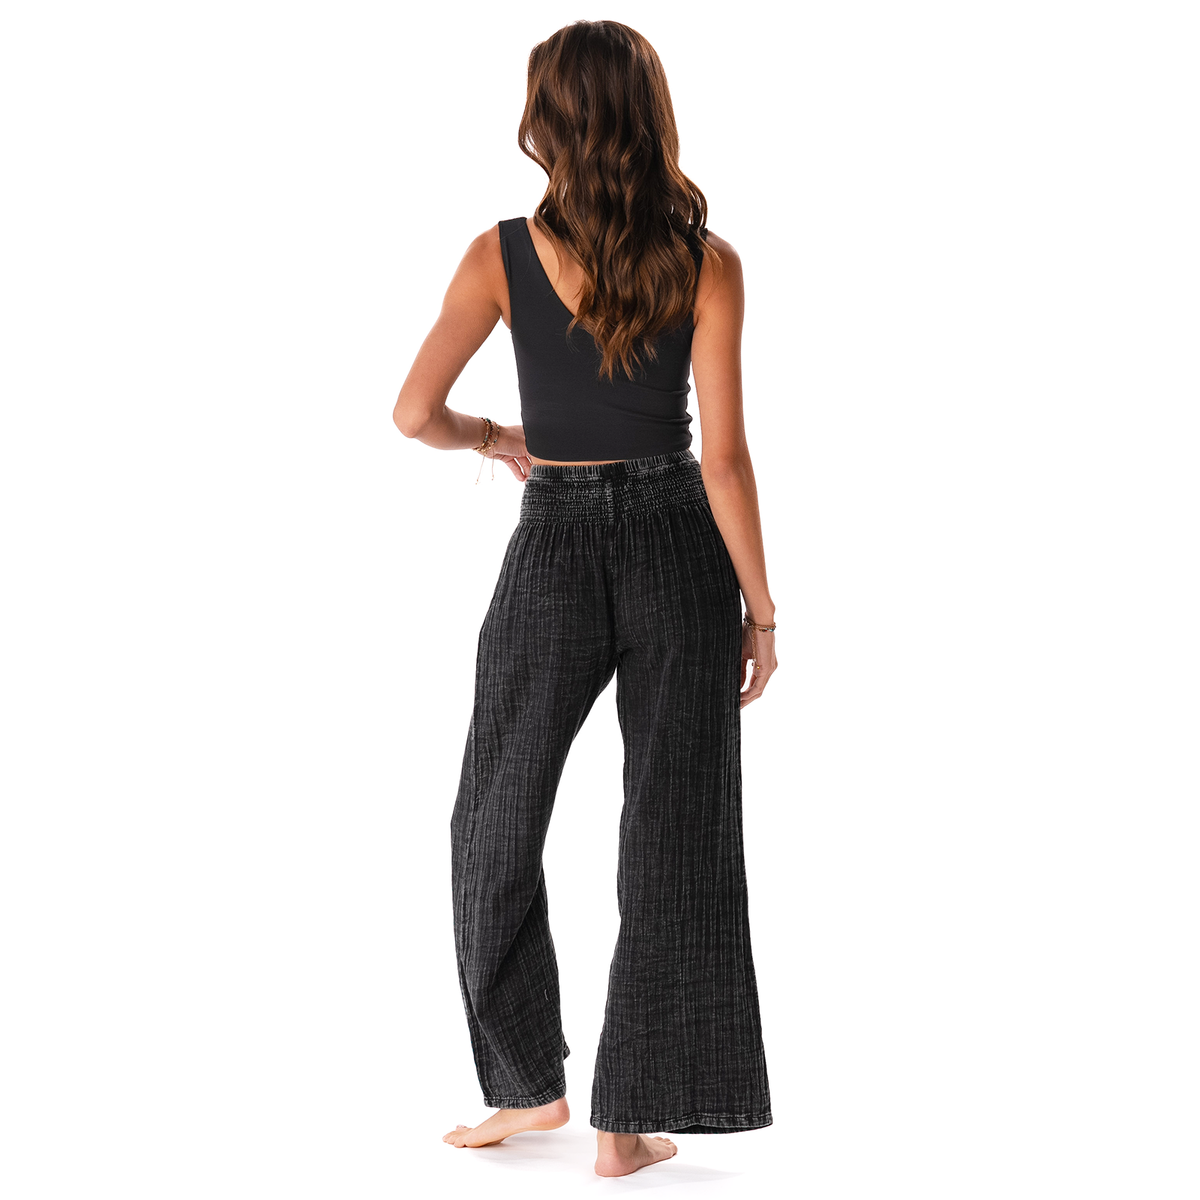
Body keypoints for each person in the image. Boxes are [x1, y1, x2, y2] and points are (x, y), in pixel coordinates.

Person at [393, 19, 777, 1179]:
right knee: (677, 829)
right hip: (678, 544)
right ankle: (628, 1122)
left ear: (544, 121)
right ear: (650, 115)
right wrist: (761, 611)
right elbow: (724, 460)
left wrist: (493, 436)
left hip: (553, 542)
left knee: (492, 817)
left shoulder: (497, 255)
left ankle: (527, 1087)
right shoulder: (708, 261)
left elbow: (413, 413)